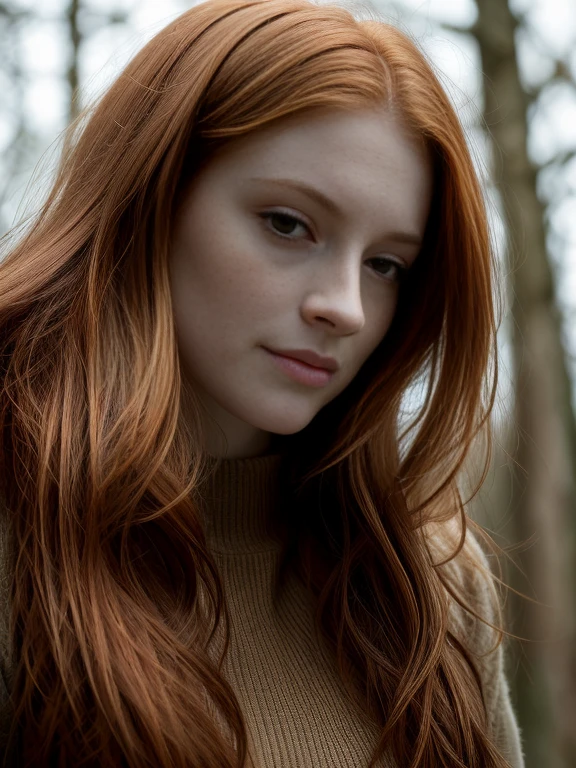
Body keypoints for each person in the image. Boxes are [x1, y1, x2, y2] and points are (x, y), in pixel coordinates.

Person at [0, 0, 525, 765]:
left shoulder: (428, 578)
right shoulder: (21, 539)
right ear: (152, 197)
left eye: (386, 264)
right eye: (288, 224)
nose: (345, 307)